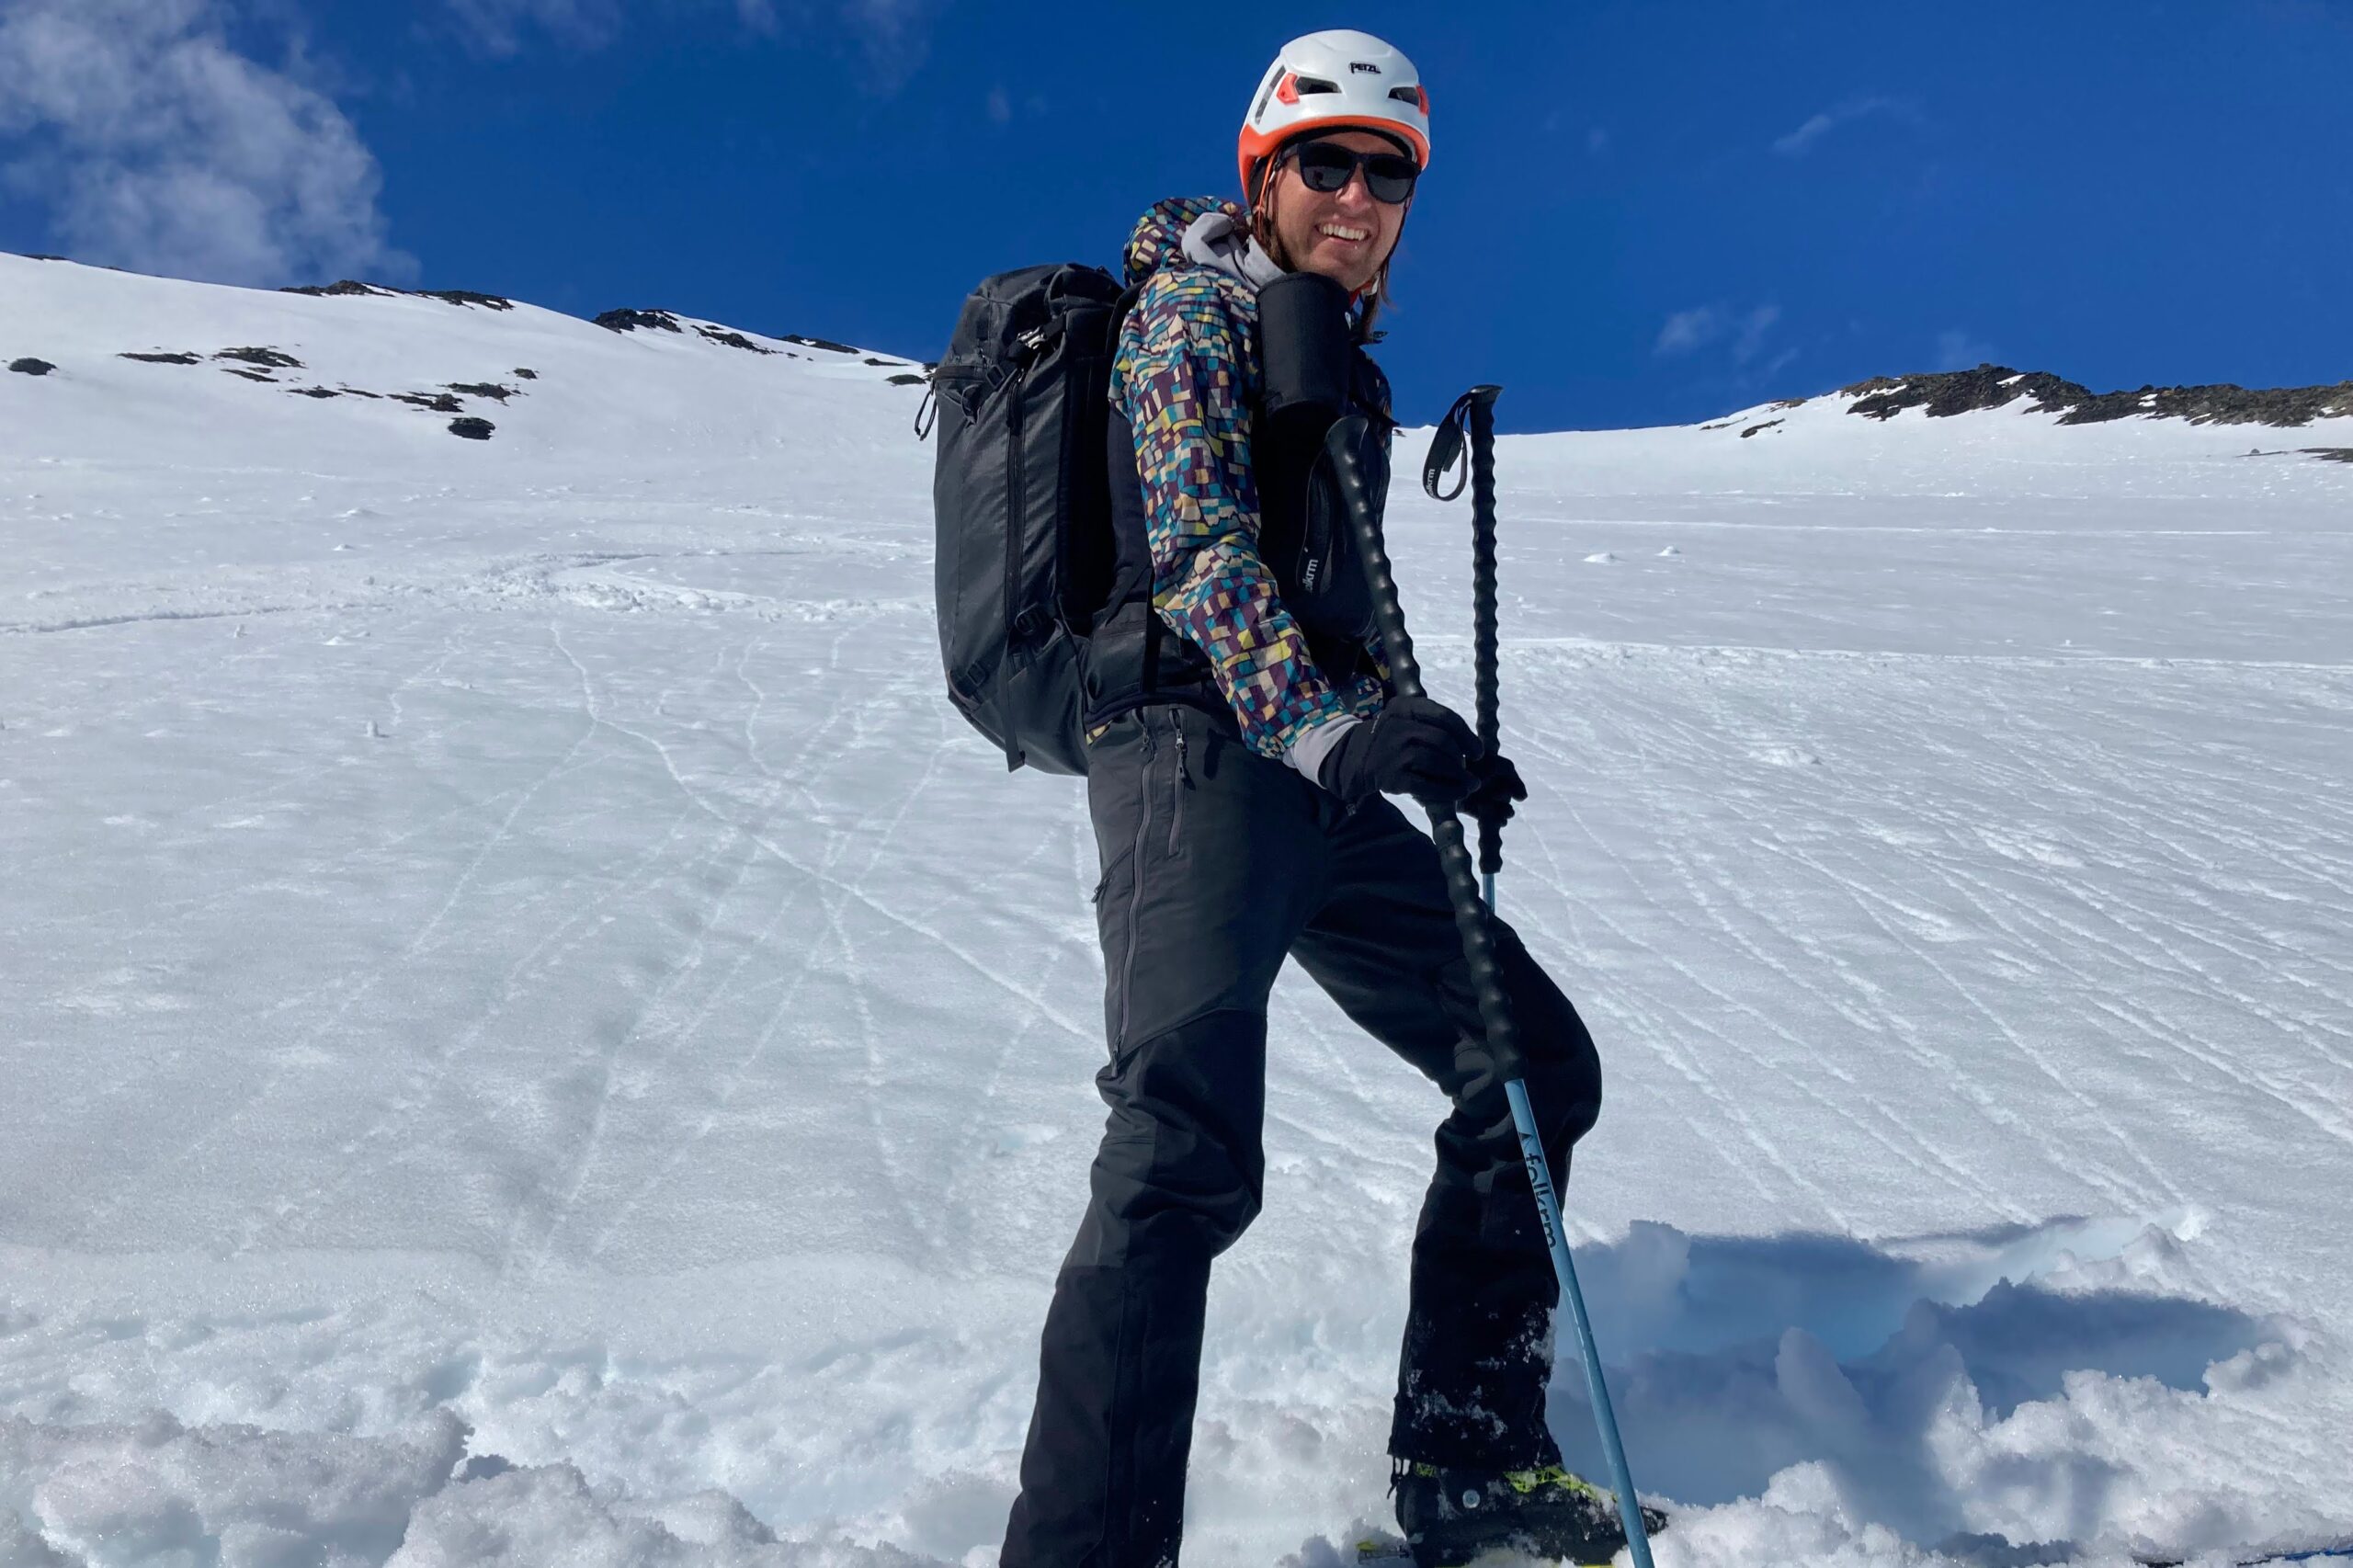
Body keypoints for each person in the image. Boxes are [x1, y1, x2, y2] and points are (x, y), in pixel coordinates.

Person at [998, 30, 1624, 1568]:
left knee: (1530, 1060)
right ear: (1264, 172)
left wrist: (1418, 736)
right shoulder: (1189, 316)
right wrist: (1335, 735)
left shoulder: (1337, 355)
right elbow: (1206, 555)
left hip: (1318, 770)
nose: (1357, 195)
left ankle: (1470, 1461)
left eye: (1387, 171)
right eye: (1326, 164)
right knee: (1182, 1147)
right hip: (1195, 758)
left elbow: (1331, 592)